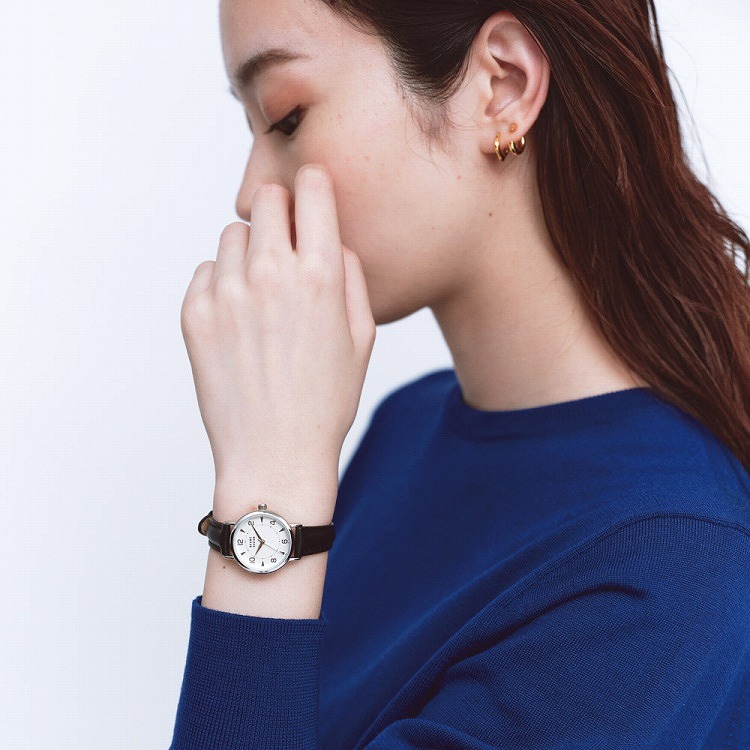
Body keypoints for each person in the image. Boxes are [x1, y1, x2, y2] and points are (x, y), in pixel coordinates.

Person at [170, 0, 750, 747]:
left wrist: (269, 493)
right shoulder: (408, 426)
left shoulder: (664, 570)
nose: (251, 194)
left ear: (502, 86)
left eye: (286, 118)